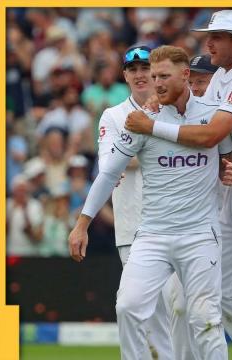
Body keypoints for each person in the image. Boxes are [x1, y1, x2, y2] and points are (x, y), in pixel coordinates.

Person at [124, 10, 232, 360]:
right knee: (224, 293)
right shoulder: (221, 78)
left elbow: (209, 134)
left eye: (217, 36)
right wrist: (160, 99)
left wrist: (151, 126)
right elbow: (200, 118)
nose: (208, 43)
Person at [69, 45, 232, 360]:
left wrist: (228, 169)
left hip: (200, 234)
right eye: (154, 75)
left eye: (162, 75)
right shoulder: (138, 120)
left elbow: (226, 154)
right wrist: (82, 223)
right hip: (151, 234)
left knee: (204, 319)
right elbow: (108, 172)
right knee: (129, 307)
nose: (155, 81)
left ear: (186, 74)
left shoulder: (212, 113)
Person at [96, 45, 173, 360]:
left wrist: (136, 151)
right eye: (134, 70)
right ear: (125, 75)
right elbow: (109, 163)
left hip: (176, 225)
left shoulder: (175, 110)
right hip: (133, 228)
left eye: (146, 69)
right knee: (143, 313)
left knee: (180, 312)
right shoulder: (113, 115)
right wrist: (164, 148)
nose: (141, 75)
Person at [160, 52, 220, 360]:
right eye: (193, 81)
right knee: (180, 307)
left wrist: (231, 168)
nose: (197, 87)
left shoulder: (224, 115)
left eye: (203, 81)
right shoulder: (166, 113)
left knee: (223, 310)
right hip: (181, 227)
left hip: (218, 227)